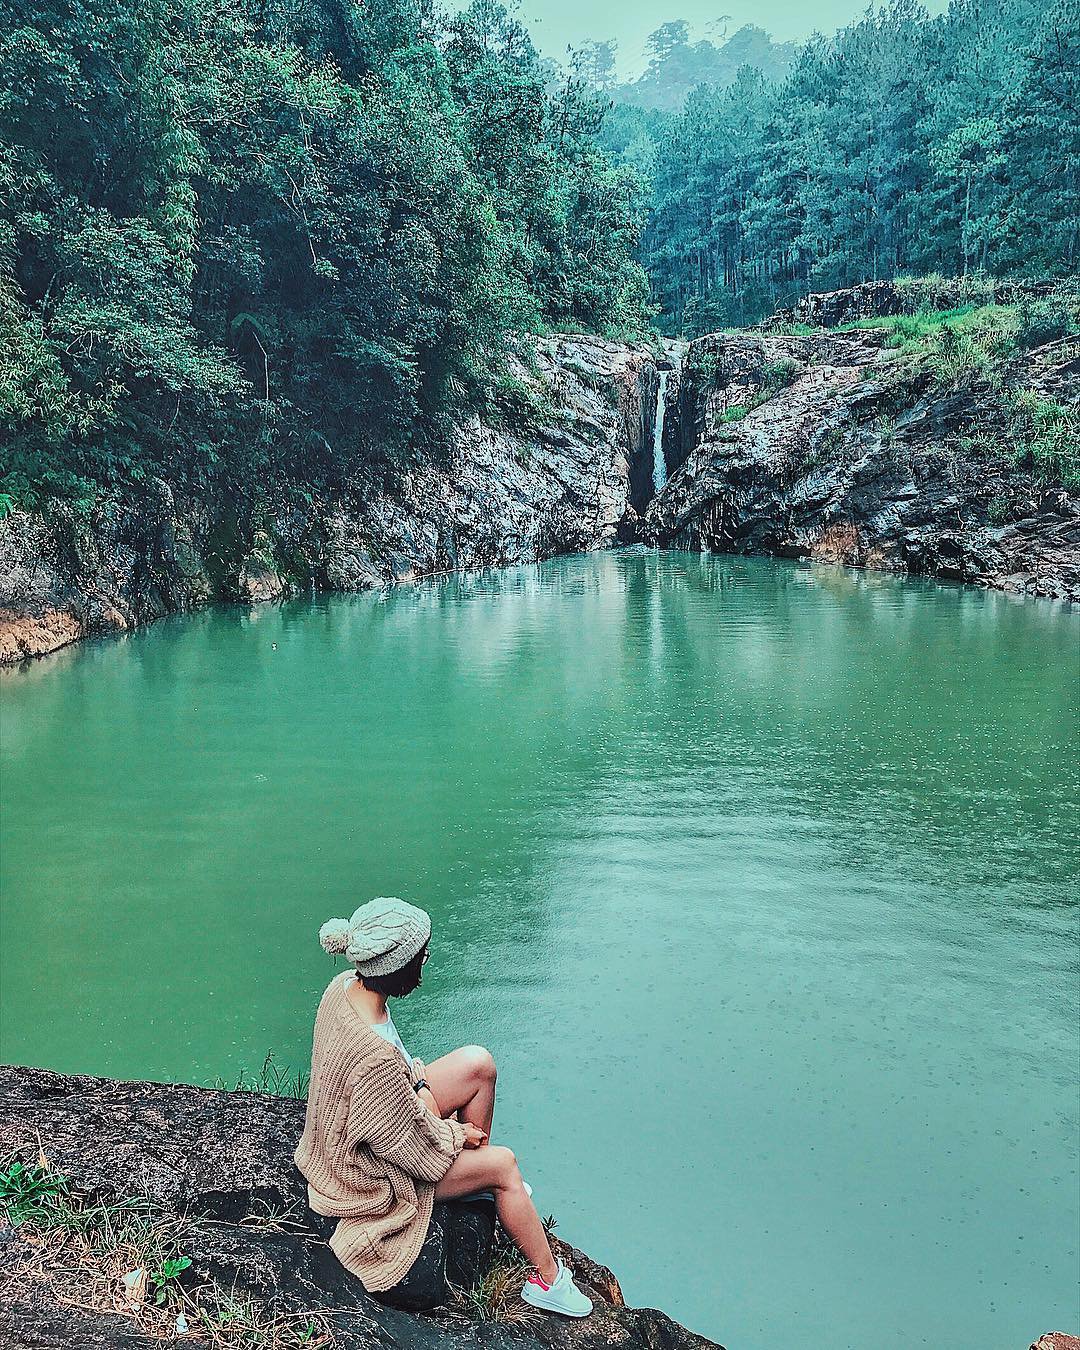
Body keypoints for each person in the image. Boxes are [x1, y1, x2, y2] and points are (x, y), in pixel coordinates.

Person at [294, 896, 593, 1317]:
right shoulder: (371, 1055)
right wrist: (457, 1135)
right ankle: (547, 1280)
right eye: (420, 955)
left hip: (381, 1116)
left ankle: (478, 1180)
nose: (426, 959)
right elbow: (404, 1145)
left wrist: (418, 1086)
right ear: (396, 968)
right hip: (372, 1174)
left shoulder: (346, 987)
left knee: (479, 1065)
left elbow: (390, 1089)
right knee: (505, 1165)